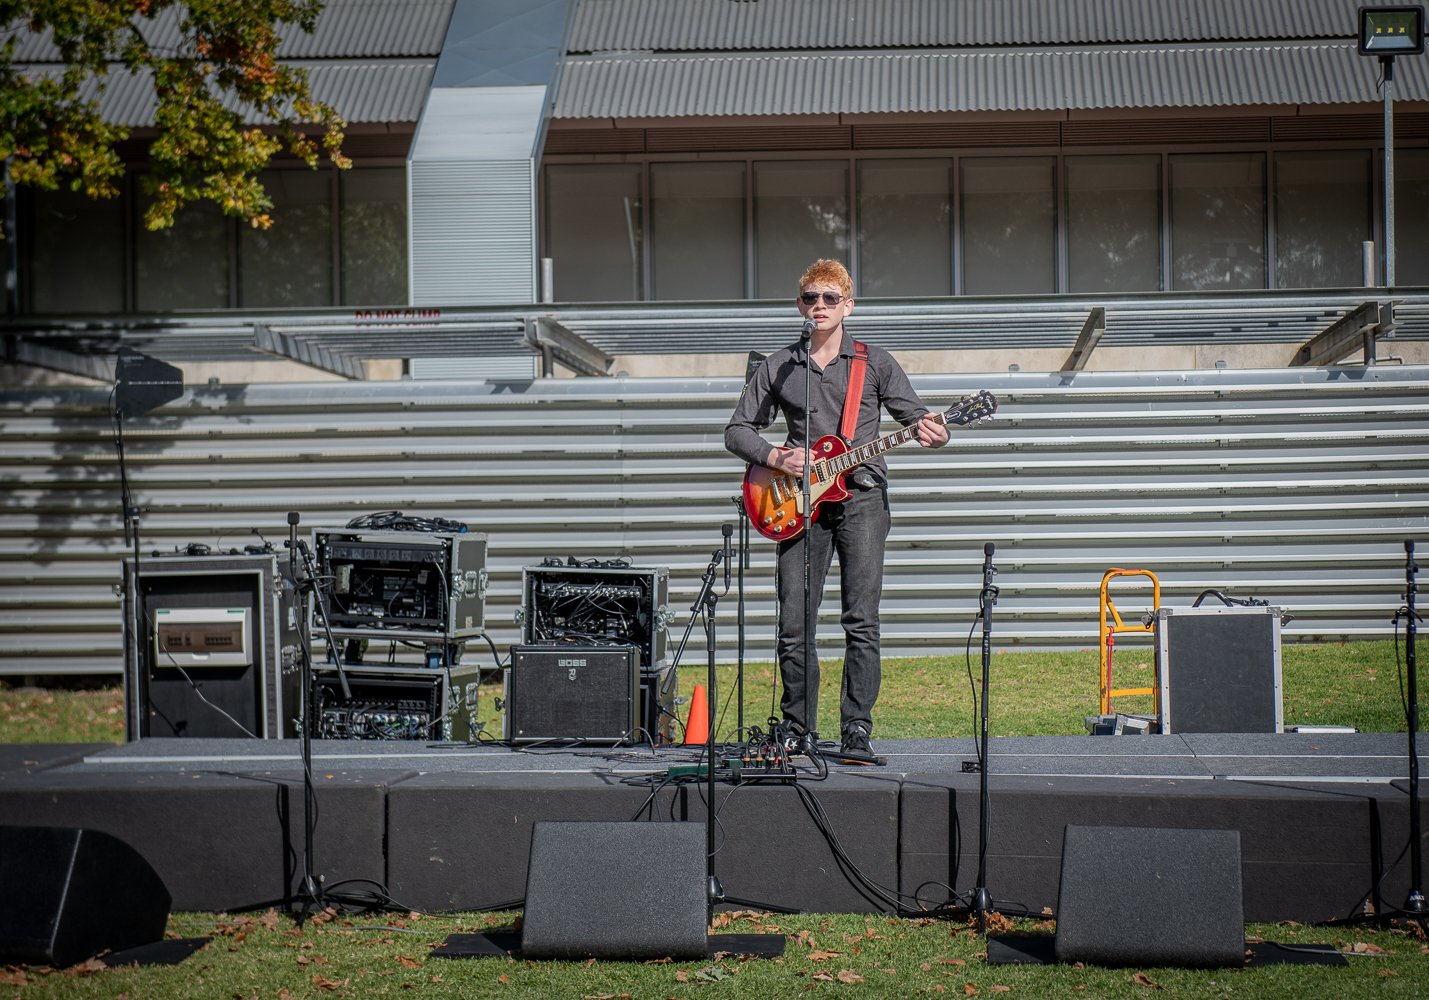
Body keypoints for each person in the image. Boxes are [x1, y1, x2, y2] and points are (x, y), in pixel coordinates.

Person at [725, 258, 949, 757]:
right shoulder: (779, 365)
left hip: (863, 499)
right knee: (794, 620)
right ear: (799, 304)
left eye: (830, 298)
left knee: (860, 619)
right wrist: (777, 455)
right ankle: (796, 726)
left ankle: (856, 729)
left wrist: (937, 431)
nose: (819, 306)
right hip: (795, 504)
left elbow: (917, 418)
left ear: (849, 305)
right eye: (810, 297)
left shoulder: (876, 363)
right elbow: (737, 431)